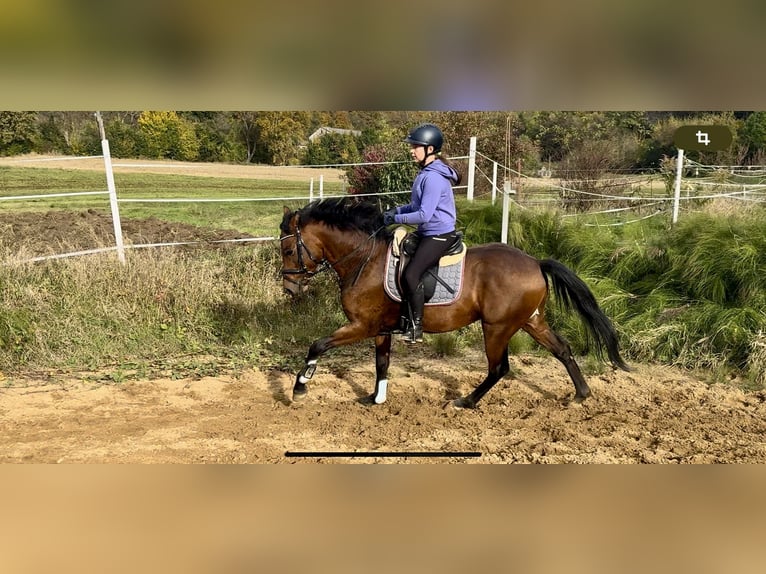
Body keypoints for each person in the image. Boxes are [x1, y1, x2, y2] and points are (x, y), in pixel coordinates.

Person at [383, 123, 461, 343]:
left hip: (439, 235)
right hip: (428, 231)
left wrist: (396, 219)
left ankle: (416, 327)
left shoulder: (434, 178)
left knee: (411, 274)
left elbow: (424, 214)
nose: (411, 150)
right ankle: (400, 317)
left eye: (416, 146)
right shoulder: (425, 174)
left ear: (429, 149)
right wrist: (395, 211)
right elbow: (415, 205)